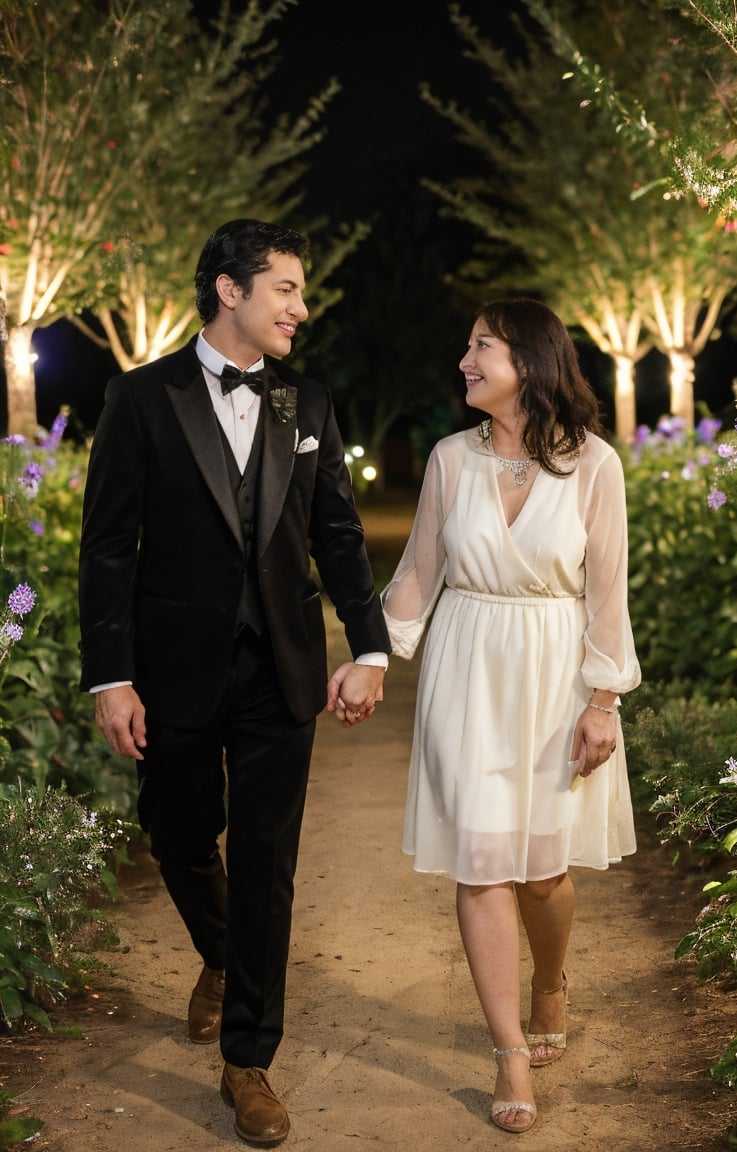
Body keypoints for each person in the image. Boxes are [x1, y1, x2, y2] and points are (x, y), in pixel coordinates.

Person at [78, 219, 389, 1148]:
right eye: (286, 289)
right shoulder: (139, 399)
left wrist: (368, 649)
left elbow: (336, 532)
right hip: (169, 672)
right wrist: (112, 677)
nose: (302, 306)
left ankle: (248, 1062)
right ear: (230, 291)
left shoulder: (309, 400)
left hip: (280, 670)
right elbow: (106, 551)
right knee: (176, 834)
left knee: (268, 867)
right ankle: (219, 953)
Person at [381, 298, 640, 1135]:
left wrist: (604, 700)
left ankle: (551, 980)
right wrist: (369, 659)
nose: (464, 358)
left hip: (555, 673)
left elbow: (607, 595)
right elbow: (417, 578)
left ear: (528, 361)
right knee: (483, 863)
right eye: (466, 345)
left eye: (480, 345)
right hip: (467, 667)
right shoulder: (450, 461)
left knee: (543, 875)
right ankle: (509, 1053)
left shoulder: (594, 465)